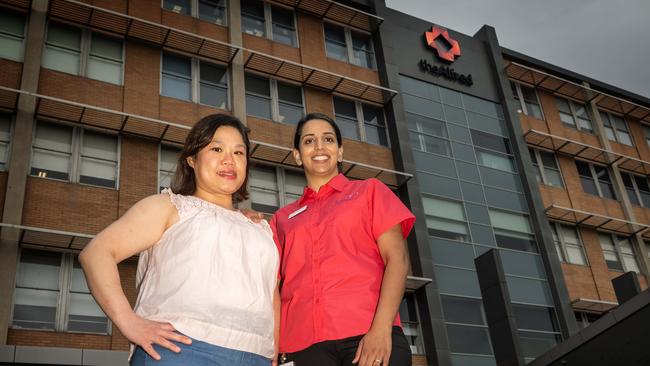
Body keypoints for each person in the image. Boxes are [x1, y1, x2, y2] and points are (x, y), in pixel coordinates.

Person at [79, 114, 280, 366]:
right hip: (183, 350)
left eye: (239, 153)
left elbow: (271, 295)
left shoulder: (260, 227)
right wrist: (129, 322)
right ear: (192, 160)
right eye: (217, 148)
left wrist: (274, 353)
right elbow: (97, 253)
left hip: (256, 356)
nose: (229, 160)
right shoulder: (169, 207)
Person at [270, 113, 415, 366]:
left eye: (328, 139)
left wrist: (381, 329)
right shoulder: (282, 218)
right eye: (308, 141)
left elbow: (398, 260)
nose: (319, 147)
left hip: (366, 337)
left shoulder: (369, 191)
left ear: (340, 151)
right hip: (298, 346)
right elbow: (271, 288)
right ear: (296, 155)